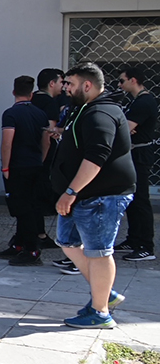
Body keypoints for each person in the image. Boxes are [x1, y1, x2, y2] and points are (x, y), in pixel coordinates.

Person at [53, 62, 135, 329]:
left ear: (87, 85)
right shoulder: (85, 109)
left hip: (101, 195)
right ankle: (105, 292)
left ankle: (100, 313)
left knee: (98, 252)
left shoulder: (101, 112)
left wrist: (70, 191)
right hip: (84, 195)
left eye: (70, 84)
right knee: (67, 241)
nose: (66, 88)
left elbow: (96, 157)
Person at [0, 75, 52, 266]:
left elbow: (7, 142)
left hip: (17, 166)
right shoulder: (40, 114)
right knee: (30, 205)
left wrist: (5, 166)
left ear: (14, 92)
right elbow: (46, 141)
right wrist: (40, 159)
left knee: (22, 209)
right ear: (31, 94)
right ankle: (19, 244)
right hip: (35, 164)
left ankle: (31, 249)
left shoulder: (10, 114)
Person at [116, 66, 157, 263]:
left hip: (140, 154)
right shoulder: (135, 101)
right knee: (131, 198)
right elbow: (125, 126)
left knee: (140, 199)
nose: (119, 85)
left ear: (133, 80)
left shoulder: (144, 102)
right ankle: (133, 239)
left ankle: (146, 246)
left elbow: (125, 128)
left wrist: (125, 127)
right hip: (133, 153)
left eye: (122, 81)